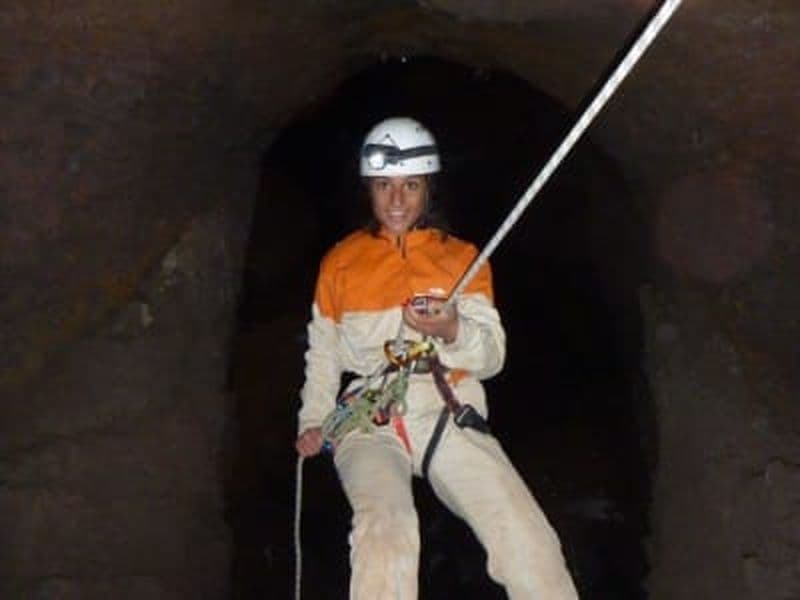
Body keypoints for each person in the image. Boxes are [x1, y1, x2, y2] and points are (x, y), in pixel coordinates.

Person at [295, 116, 579, 599]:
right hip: (370, 416)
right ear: (369, 189)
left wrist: (451, 329)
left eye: (411, 185)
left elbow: (491, 357)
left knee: (527, 540)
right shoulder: (340, 262)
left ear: (429, 189)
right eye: (384, 186)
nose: (397, 200)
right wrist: (314, 417)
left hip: (447, 405)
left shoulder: (464, 259)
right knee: (386, 530)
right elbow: (323, 352)